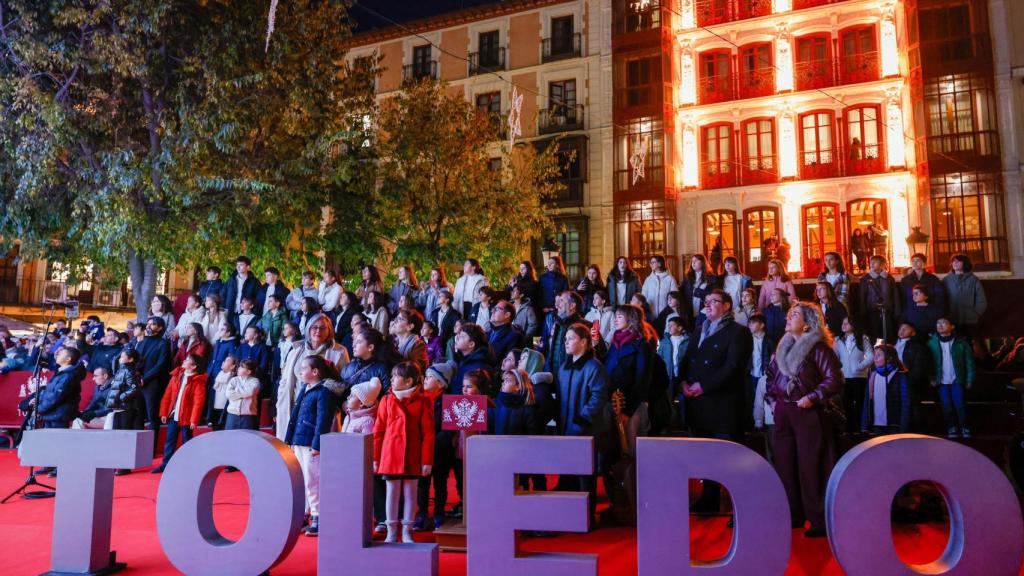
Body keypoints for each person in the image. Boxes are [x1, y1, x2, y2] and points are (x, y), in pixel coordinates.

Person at [765, 301, 844, 538]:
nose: (788, 317)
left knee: (812, 467)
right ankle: (792, 515)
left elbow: (834, 380)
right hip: (783, 411)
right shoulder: (781, 348)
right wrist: (772, 400)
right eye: (789, 314)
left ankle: (818, 520)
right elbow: (770, 376)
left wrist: (813, 397)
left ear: (808, 324)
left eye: (795, 315)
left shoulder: (819, 349)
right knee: (785, 466)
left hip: (808, 411)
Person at [679, 289, 752, 513]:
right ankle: (708, 498)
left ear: (727, 306)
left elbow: (733, 368)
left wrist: (705, 386)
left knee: (729, 459)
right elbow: (687, 359)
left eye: (714, 301)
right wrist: (682, 382)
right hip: (699, 405)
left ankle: (739, 505)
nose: (708, 305)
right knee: (705, 456)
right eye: (706, 302)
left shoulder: (738, 332)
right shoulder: (699, 329)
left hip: (723, 406)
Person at [373, 362, 435, 544]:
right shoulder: (386, 400)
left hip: (412, 454)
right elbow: (379, 431)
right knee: (391, 492)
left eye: (395, 376)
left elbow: (428, 434)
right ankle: (391, 530)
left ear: (408, 381)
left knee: (410, 493)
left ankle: (407, 530)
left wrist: (427, 460)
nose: (391, 379)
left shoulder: (424, 402)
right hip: (391, 455)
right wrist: (376, 457)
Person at [555, 323, 609, 523]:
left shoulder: (594, 367)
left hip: (585, 429)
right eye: (566, 339)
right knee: (568, 473)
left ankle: (586, 517)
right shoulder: (564, 367)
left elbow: (598, 396)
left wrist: (582, 419)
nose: (566, 342)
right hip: (566, 428)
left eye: (571, 338)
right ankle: (567, 516)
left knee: (585, 475)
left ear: (584, 342)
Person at [285, 355, 340, 537]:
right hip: (299, 440)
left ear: (315, 372)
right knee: (301, 479)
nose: (301, 372)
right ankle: (305, 514)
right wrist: (289, 439)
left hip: (311, 443)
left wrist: (317, 444)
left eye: (304, 368)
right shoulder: (305, 388)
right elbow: (295, 416)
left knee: (312, 480)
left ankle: (319, 516)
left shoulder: (324, 392)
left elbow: (323, 421)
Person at [276, 314, 350, 441]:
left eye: (323, 328)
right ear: (308, 329)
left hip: (321, 410)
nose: (318, 331)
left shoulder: (339, 352)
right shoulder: (295, 351)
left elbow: (344, 383)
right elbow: (284, 381)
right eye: (314, 327)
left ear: (329, 331)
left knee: (316, 451)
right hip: (294, 405)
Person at [416, 361, 457, 531]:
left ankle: (439, 513)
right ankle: (422, 514)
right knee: (422, 483)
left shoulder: (447, 401)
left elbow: (448, 429)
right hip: (422, 448)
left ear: (440, 383)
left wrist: (433, 442)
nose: (425, 380)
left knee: (440, 482)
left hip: (441, 450)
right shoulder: (420, 398)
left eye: (430, 377)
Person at [605, 305, 652, 451]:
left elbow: (642, 379)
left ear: (631, 319)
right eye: (615, 316)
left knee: (632, 449)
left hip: (631, 404)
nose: (615, 320)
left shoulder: (642, 345)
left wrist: (628, 410)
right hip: (613, 401)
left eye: (619, 316)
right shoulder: (615, 343)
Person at [154, 354, 207, 473]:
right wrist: (164, 412)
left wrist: (194, 420)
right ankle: (165, 465)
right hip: (173, 415)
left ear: (193, 366)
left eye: (188, 360)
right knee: (169, 441)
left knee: (186, 442)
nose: (184, 360)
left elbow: (198, 403)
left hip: (187, 418)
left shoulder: (198, 381)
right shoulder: (177, 375)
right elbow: (167, 395)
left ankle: (187, 465)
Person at [927, 317, 975, 438]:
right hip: (941, 381)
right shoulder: (931, 343)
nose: (940, 325)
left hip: (957, 380)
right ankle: (952, 427)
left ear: (952, 326)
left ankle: (965, 427)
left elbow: (969, 362)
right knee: (946, 405)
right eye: (938, 323)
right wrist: (931, 378)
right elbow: (928, 362)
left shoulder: (961, 342)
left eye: (943, 323)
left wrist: (969, 379)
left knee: (960, 404)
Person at [137, 317, 173, 452]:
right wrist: (137, 377)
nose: (149, 326)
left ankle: (150, 450)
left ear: (159, 328)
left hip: (153, 383)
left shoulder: (163, 343)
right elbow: (136, 362)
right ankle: (138, 449)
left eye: (153, 324)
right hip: (138, 382)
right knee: (138, 416)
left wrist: (145, 378)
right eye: (148, 323)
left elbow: (161, 365)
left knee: (152, 417)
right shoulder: (141, 342)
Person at [833, 316, 872, 433]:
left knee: (859, 402)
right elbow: (835, 358)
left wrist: (859, 367)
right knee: (846, 403)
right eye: (843, 323)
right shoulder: (838, 340)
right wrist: (840, 370)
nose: (844, 325)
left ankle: (859, 427)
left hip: (859, 376)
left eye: (847, 323)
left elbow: (871, 356)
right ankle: (849, 428)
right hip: (844, 377)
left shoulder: (862, 338)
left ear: (854, 325)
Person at [34, 346, 86, 429]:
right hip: (52, 414)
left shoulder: (68, 375)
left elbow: (56, 396)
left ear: (68, 359)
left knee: (56, 440)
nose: (57, 354)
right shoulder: (61, 372)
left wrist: (39, 409)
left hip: (58, 415)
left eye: (61, 353)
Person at [864, 344, 911, 434]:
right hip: (876, 423)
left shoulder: (900, 375)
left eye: (879, 355)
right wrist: (864, 425)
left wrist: (904, 425)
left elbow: (905, 402)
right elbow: (867, 401)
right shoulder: (873, 375)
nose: (875, 358)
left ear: (889, 358)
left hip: (894, 424)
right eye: (874, 355)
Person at [942, 254, 987, 342]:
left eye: (958, 261)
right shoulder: (946, 280)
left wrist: (975, 313)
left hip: (969, 320)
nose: (955, 263)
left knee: (968, 344)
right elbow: (942, 298)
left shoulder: (973, 280)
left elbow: (981, 299)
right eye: (953, 261)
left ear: (965, 263)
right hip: (951, 320)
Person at [895, 322, 930, 432]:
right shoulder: (893, 344)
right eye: (900, 328)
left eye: (906, 329)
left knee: (913, 405)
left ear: (913, 332)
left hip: (909, 379)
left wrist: (911, 379)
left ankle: (918, 431)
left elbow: (919, 366)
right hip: (895, 379)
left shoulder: (918, 347)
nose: (902, 330)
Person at [542, 291, 589, 373]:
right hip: (553, 378)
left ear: (572, 306)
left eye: (561, 300)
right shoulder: (557, 324)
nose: (556, 305)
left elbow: (597, 354)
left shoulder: (586, 327)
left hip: (572, 380)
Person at [746, 313, 773, 434]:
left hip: (765, 375)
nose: (750, 325)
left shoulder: (770, 341)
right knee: (751, 400)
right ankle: (753, 427)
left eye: (753, 323)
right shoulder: (747, 340)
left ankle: (764, 428)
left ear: (762, 325)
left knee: (764, 400)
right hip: (751, 374)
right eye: (749, 323)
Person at [452, 324, 493, 394]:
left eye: (462, 336)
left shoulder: (478, 367)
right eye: (458, 335)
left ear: (471, 344)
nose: (457, 337)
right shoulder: (464, 361)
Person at [225, 359, 261, 432]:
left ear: (248, 371)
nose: (238, 369)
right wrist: (243, 393)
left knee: (247, 440)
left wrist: (236, 390)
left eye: (241, 367)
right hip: (232, 415)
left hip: (248, 417)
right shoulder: (233, 380)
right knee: (230, 439)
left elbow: (250, 392)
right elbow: (228, 394)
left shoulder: (255, 381)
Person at [487, 300, 524, 366]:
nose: (492, 311)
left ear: (507, 315)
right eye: (493, 309)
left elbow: (507, 364)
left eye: (497, 309)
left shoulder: (514, 336)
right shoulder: (488, 333)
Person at [642, 254, 679, 319]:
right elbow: (643, 296)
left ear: (659, 263)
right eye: (650, 263)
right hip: (650, 315)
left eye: (653, 262)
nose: (651, 264)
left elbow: (675, 297)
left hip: (666, 314)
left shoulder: (670, 279)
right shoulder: (648, 279)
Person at [394, 309, 429, 374]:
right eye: (396, 318)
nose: (395, 321)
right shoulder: (393, 342)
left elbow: (415, 370)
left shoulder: (418, 345)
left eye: (400, 319)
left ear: (410, 326)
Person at [210, 354, 238, 430]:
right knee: (215, 428)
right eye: (224, 360)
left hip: (226, 407)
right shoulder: (219, 374)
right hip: (216, 405)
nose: (223, 362)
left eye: (227, 361)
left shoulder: (234, 378)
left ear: (232, 366)